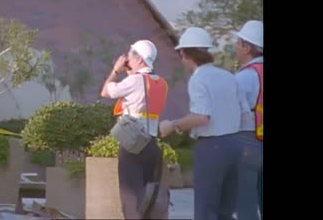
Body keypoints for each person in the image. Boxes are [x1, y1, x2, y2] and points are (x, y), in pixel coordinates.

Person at [159, 27, 247, 220]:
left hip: (212, 146)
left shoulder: (198, 80)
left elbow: (202, 116)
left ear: (184, 53)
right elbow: (244, 111)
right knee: (226, 210)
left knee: (206, 210)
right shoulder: (228, 76)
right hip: (235, 144)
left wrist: (173, 125)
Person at [100, 40, 169, 219]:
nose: (126, 60)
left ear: (139, 59)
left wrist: (116, 70)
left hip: (132, 145)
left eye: (129, 56)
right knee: (146, 199)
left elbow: (106, 92)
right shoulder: (161, 83)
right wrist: (131, 71)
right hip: (152, 145)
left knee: (129, 199)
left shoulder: (135, 81)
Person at [232, 20, 263, 220]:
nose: (235, 46)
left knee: (245, 201)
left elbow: (230, 111)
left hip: (248, 140)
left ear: (247, 47)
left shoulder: (245, 76)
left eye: (238, 42)